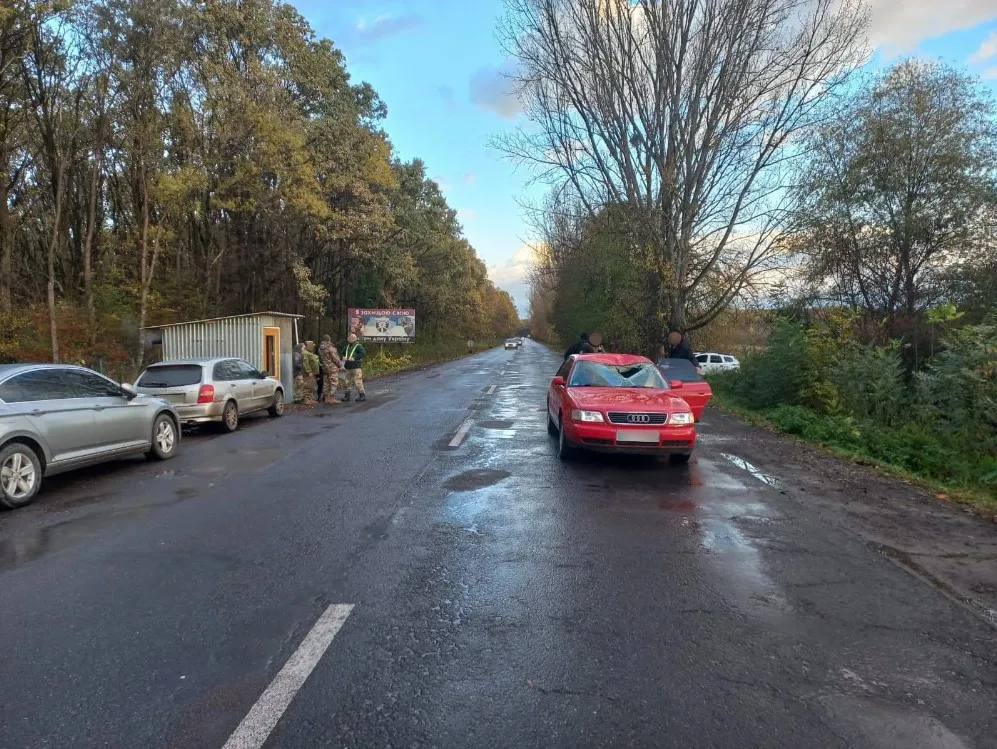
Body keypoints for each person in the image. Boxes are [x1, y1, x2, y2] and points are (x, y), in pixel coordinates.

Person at [339, 333, 366, 402]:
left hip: (356, 367)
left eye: (349, 338)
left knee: (358, 382)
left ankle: (362, 395)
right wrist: (342, 357)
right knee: (347, 382)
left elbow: (363, 354)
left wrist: (355, 358)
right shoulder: (347, 346)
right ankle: (347, 396)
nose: (348, 339)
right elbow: (341, 353)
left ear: (353, 338)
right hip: (347, 367)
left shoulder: (359, 346)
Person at [318, 334, 343, 404]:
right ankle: (332, 398)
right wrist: (340, 365)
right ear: (329, 339)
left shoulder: (320, 348)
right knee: (334, 382)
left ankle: (326, 398)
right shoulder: (330, 348)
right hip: (332, 368)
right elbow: (335, 358)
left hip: (325, 368)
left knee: (326, 383)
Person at [301, 341, 320, 405]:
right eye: (312, 345)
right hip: (308, 374)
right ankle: (307, 400)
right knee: (307, 386)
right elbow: (305, 363)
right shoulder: (305, 353)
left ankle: (310, 399)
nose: (313, 347)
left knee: (311, 386)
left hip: (313, 373)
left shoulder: (309, 352)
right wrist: (309, 371)